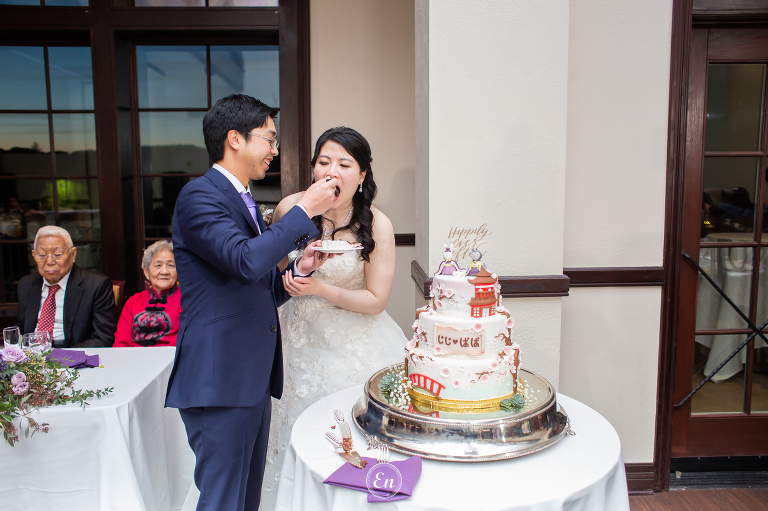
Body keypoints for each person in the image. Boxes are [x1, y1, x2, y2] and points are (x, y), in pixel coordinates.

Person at [164, 94, 340, 511]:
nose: (275, 150)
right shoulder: (198, 195)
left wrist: (298, 270)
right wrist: (305, 208)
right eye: (269, 138)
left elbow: (255, 284)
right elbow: (244, 261)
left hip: (249, 377)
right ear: (235, 139)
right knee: (223, 500)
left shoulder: (241, 199)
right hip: (220, 378)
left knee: (246, 500)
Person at [261, 127, 406, 507]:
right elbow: (273, 274)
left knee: (347, 431)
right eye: (324, 162)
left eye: (344, 164)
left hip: (353, 341)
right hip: (294, 337)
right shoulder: (291, 209)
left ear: (362, 175)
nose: (332, 171)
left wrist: (320, 288)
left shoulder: (376, 224)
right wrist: (292, 278)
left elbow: (376, 300)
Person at [16, 225, 117, 348]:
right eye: (42, 255)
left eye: (57, 254)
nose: (49, 261)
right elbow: (21, 331)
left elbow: (103, 338)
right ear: (34, 255)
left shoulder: (96, 285)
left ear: (73, 254)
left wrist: (62, 355)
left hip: (73, 352)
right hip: (33, 353)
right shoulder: (26, 284)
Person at [114, 240, 181, 347]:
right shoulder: (133, 302)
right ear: (146, 271)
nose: (164, 271)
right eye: (158, 265)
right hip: (134, 356)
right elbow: (121, 342)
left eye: (170, 265)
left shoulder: (185, 299)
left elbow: (185, 339)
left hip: (171, 356)